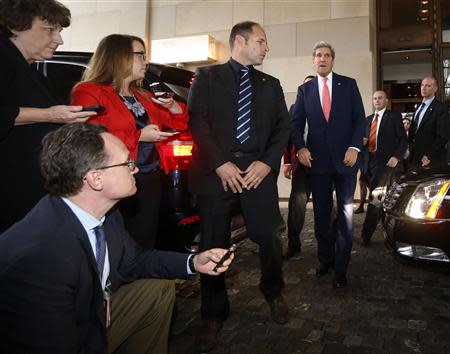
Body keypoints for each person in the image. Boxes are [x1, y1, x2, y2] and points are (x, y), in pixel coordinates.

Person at [0, 123, 233, 354]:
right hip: (70, 336)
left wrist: (193, 263)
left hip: (93, 316)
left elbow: (134, 261)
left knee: (156, 290)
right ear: (95, 179)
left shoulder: (104, 213)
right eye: (127, 162)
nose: (136, 169)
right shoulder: (40, 258)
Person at [188, 21, 290, 352]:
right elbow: (197, 122)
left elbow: (282, 127)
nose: (266, 47)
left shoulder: (271, 84)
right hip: (216, 171)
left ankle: (273, 291)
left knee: (270, 235)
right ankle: (213, 314)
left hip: (257, 172)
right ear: (240, 41)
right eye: (261, 41)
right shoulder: (206, 78)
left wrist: (267, 162)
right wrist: (219, 163)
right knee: (213, 241)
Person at [72, 34, 189, 249]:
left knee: (144, 237)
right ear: (119, 56)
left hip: (149, 177)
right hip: (112, 176)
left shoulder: (143, 95)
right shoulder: (89, 91)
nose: (146, 61)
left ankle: (140, 280)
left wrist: (172, 106)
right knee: (115, 240)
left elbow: (182, 122)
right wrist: (138, 136)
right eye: (141, 56)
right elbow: (89, 135)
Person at [0, 0, 96, 233]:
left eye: (60, 31)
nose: (58, 40)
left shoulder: (28, 69)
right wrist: (51, 114)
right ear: (16, 26)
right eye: (49, 29)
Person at [291, 41, 365, 288]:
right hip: (317, 163)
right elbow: (295, 123)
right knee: (321, 216)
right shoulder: (305, 90)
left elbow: (359, 120)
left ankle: (341, 270)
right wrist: (300, 147)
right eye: (318, 55)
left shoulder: (349, 84)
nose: (322, 59)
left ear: (333, 60)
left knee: (345, 217)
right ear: (313, 61)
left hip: (346, 161)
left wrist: (355, 147)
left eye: (327, 55)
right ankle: (326, 260)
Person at [360, 90, 407, 246]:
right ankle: (384, 227)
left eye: (380, 98)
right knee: (380, 199)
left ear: (386, 101)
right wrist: (363, 142)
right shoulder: (367, 120)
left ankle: (366, 234)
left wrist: (396, 156)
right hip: (369, 164)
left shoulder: (393, 117)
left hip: (386, 164)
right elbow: (362, 142)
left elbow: (403, 140)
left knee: (375, 198)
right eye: (375, 98)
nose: (377, 101)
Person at [283, 74, 314, 259]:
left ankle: (330, 245)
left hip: (323, 166)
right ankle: (293, 244)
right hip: (301, 165)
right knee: (297, 206)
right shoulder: (295, 108)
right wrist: (287, 161)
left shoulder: (328, 106)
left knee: (328, 207)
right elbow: (288, 135)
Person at [408, 76, 450, 170]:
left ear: (435, 88)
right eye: (422, 85)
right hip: (415, 158)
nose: (423, 88)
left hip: (430, 159)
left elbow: (443, 136)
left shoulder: (440, 108)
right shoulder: (418, 107)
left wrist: (429, 156)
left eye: (428, 86)